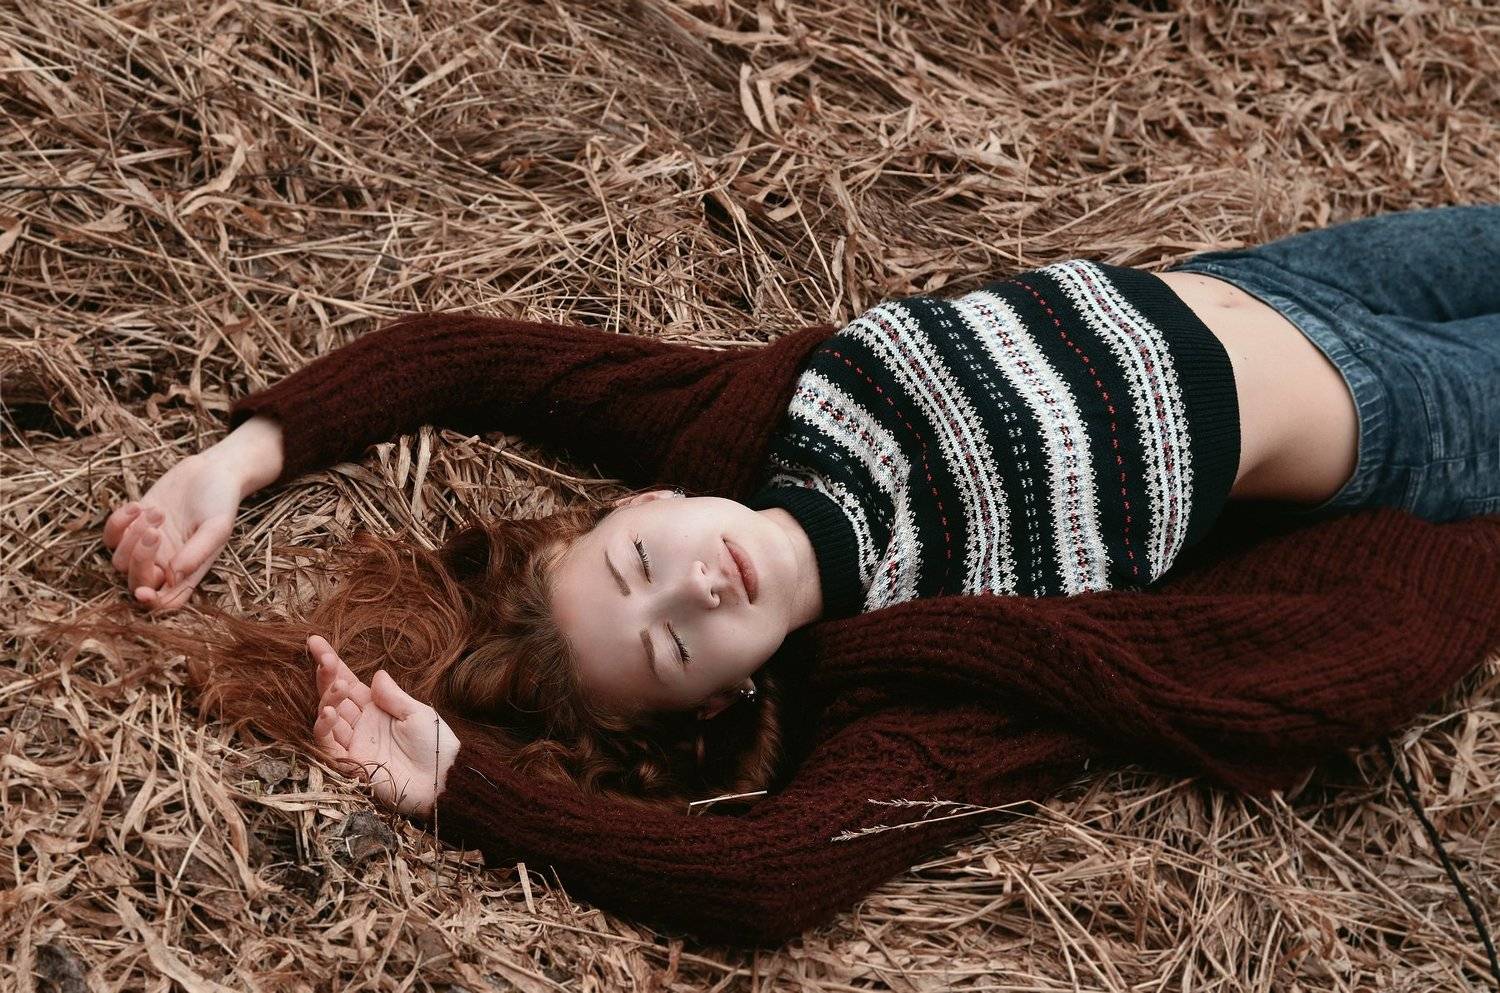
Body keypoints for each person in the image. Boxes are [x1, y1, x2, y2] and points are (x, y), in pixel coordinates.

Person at [92, 204, 1500, 943]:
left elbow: (473, 360)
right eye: (669, 644)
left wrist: (237, 461)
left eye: (638, 561)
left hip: (1295, 275)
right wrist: (465, 786)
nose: (692, 588)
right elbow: (763, 878)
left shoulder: (764, 426)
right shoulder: (925, 655)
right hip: (1401, 416)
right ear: (721, 696)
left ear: (646, 501)